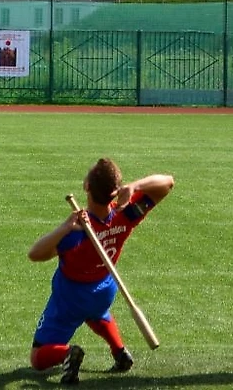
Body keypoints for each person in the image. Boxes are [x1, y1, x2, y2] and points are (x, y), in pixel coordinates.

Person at [28, 158, 174, 385]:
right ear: (115, 192)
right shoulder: (127, 214)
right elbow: (167, 182)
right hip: (104, 289)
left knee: (37, 357)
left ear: (86, 187)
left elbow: (36, 254)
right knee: (96, 312)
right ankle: (119, 351)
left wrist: (64, 227)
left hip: (71, 298)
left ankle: (67, 353)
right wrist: (135, 186)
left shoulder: (76, 233)